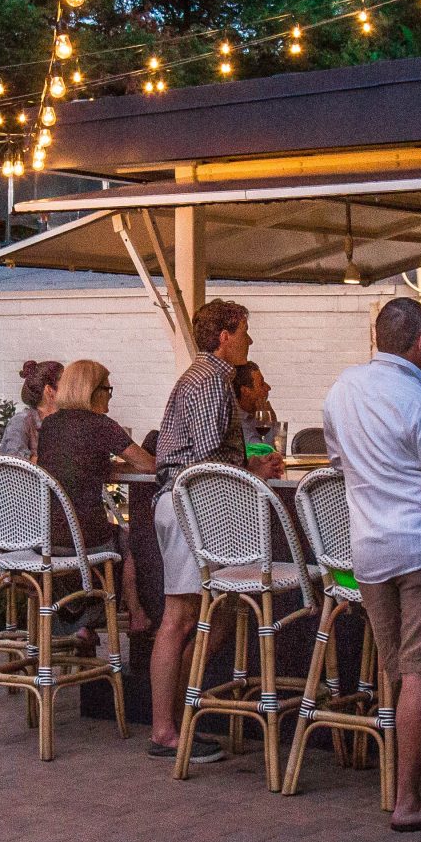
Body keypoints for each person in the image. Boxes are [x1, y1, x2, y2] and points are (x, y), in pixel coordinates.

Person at [321, 297, 421, 839]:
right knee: (420, 672)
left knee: (417, 670)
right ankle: (407, 798)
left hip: (370, 555)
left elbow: (339, 462)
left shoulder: (342, 391)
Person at [146, 298, 283, 764]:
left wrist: (249, 465)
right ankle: (165, 730)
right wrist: (249, 472)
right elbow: (204, 462)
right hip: (190, 509)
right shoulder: (211, 382)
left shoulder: (202, 377)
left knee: (206, 617)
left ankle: (176, 719)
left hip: (185, 506)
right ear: (224, 335)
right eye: (245, 329)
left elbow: (207, 456)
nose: (250, 339)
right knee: (180, 618)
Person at [35, 360, 156, 634]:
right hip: (85, 536)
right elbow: (148, 465)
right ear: (93, 391)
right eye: (108, 389)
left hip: (48, 534)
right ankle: (136, 615)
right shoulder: (102, 425)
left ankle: (82, 625)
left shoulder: (50, 425)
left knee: (107, 509)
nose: (110, 396)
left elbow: (70, 467)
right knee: (126, 533)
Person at [1, 360, 62, 459]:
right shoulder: (21, 421)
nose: (70, 389)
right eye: (65, 385)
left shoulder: (60, 420)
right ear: (49, 390)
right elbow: (16, 462)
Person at [232, 361, 277, 450]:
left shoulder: (255, 415)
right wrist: (267, 422)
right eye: (261, 384)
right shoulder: (237, 421)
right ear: (245, 391)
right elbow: (264, 453)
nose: (268, 388)